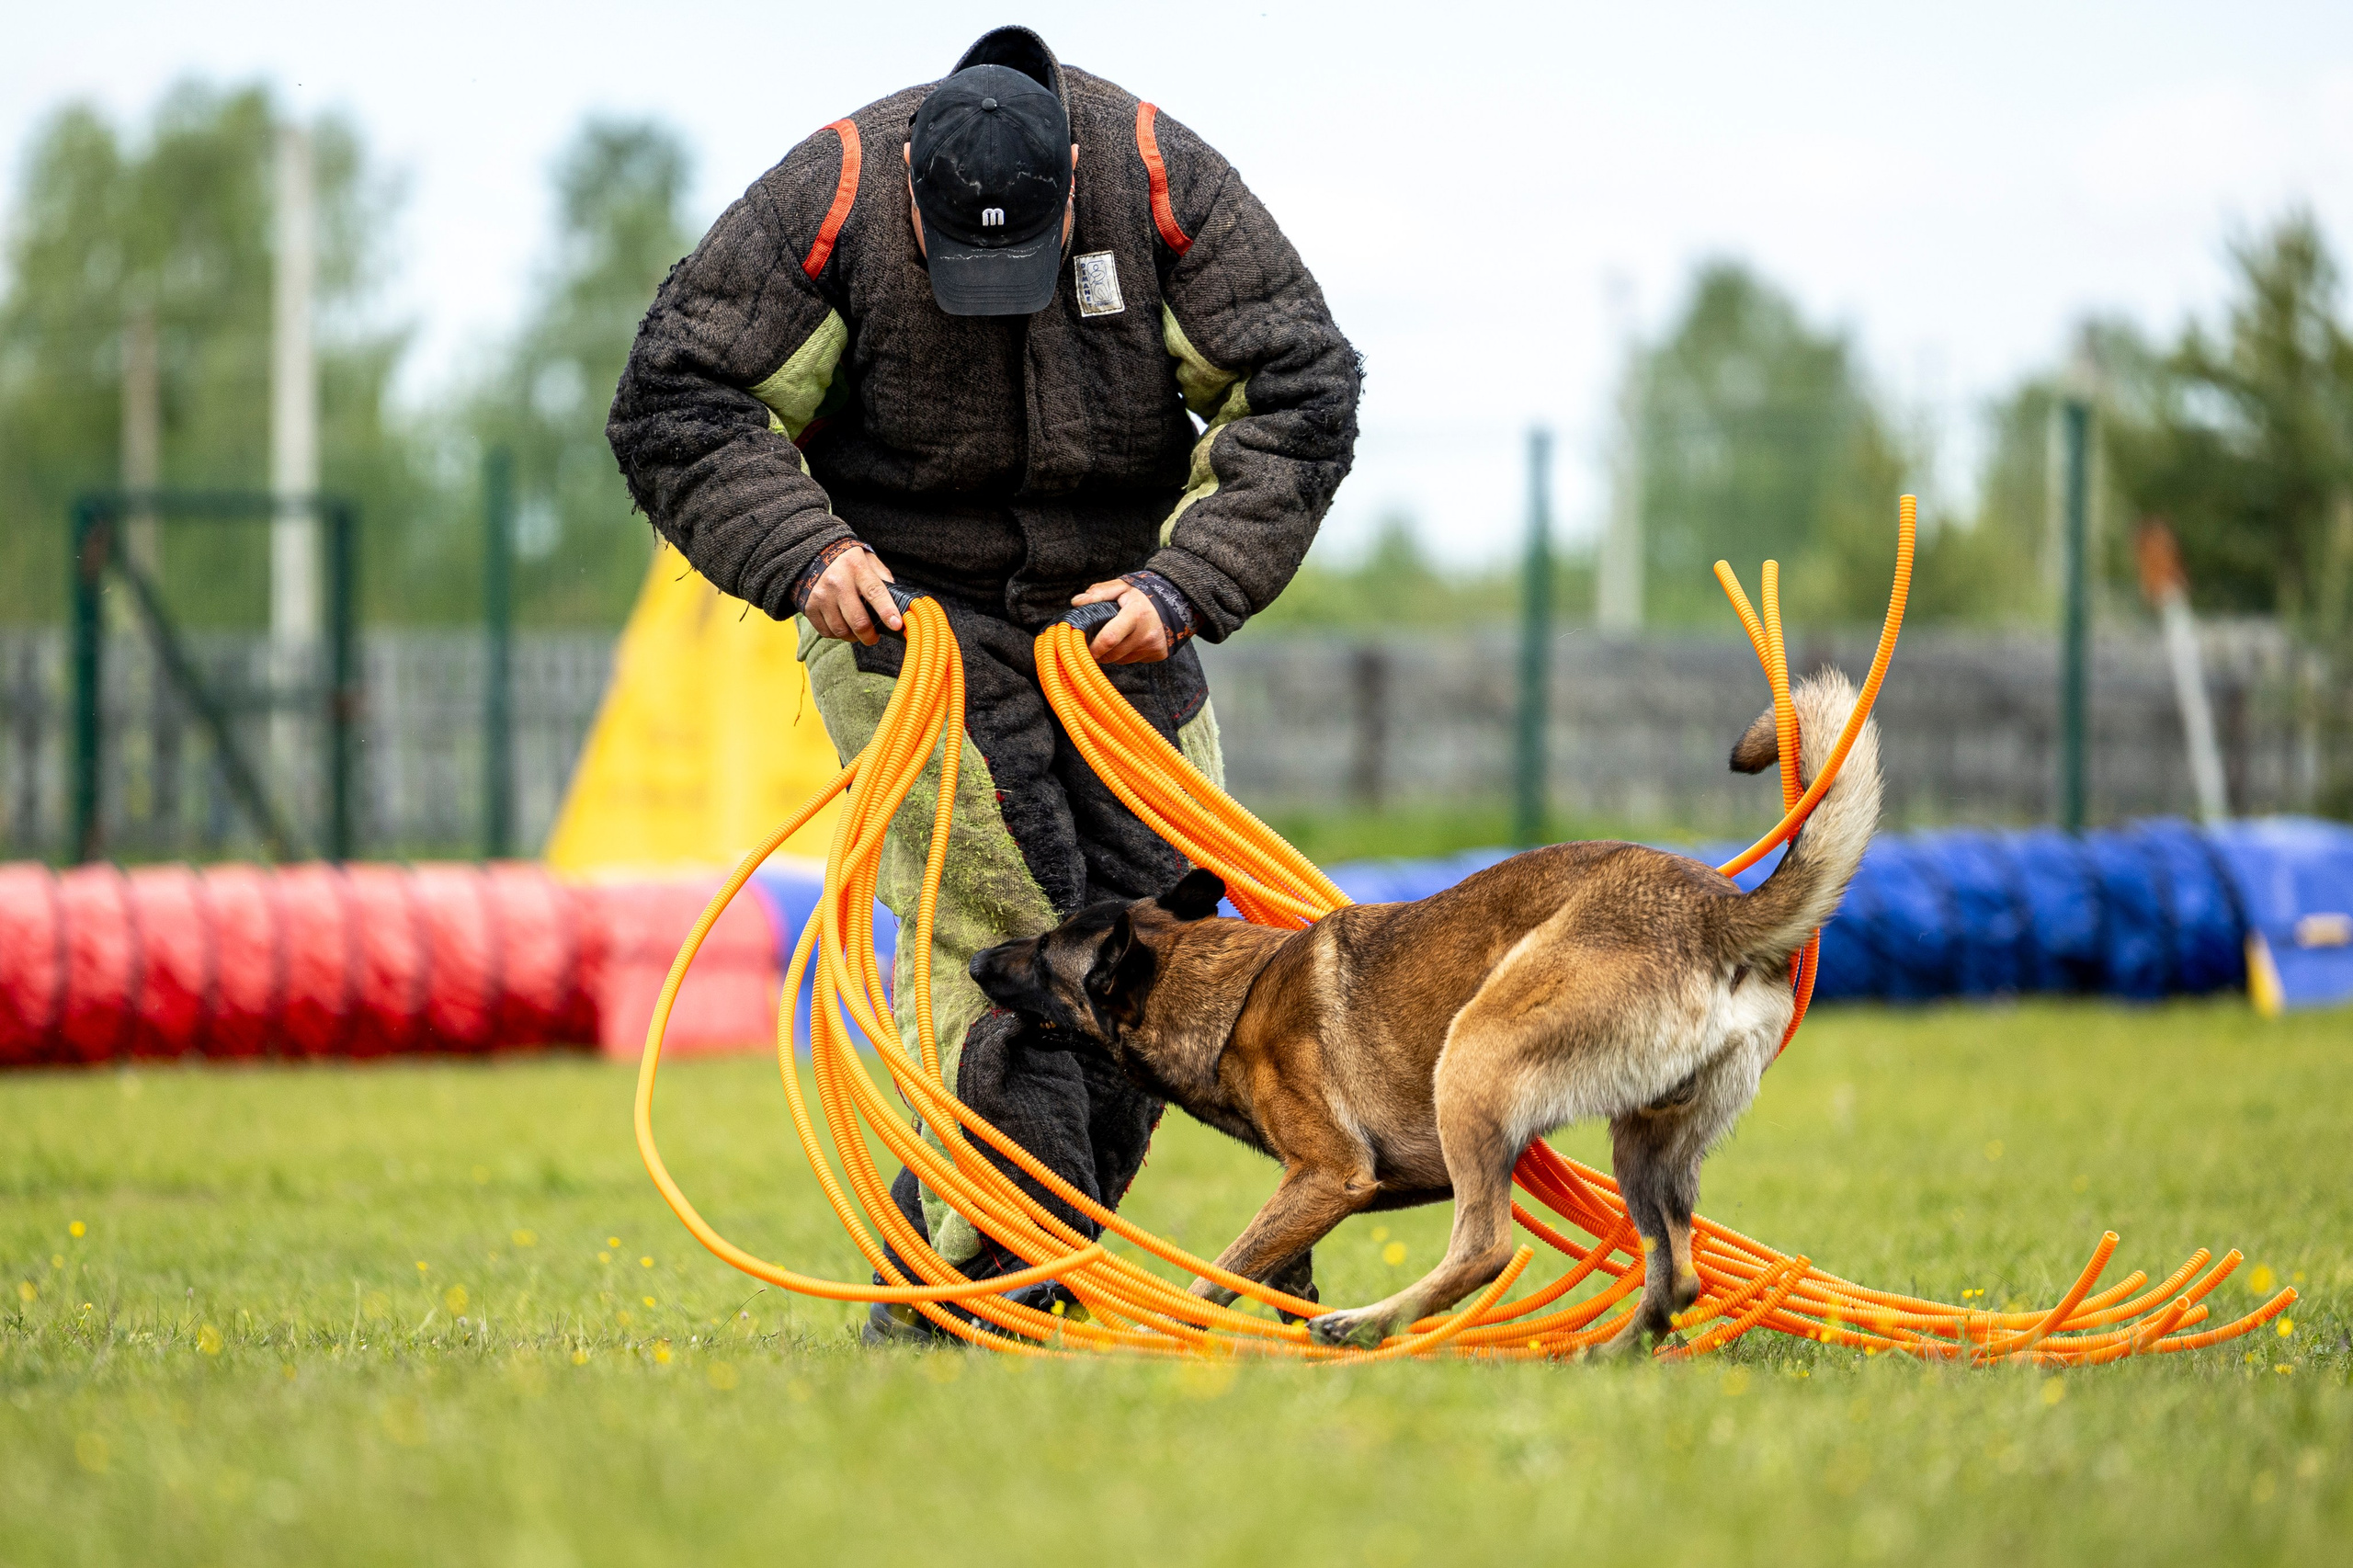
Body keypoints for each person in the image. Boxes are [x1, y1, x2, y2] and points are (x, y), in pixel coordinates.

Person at [608, 24, 1359, 1340]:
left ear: (1075, 175)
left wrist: (1183, 586)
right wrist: (807, 553)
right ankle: (979, 1286)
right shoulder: (828, 192)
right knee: (1020, 948)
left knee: (1164, 944)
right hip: (907, 619)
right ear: (913, 192)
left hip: (1124, 611)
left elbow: (1301, 386)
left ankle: (1002, 1259)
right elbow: (676, 396)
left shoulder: (1164, 182)